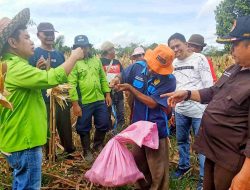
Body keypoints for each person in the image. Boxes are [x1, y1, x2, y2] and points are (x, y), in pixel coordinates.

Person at [162, 16, 250, 190]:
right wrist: (187, 94)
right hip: (212, 149)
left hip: (230, 157)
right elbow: (212, 92)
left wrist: (245, 176)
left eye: (235, 44)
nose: (230, 50)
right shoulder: (234, 69)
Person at [0, 8, 84, 189]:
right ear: (12, 42)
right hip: (26, 142)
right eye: (27, 37)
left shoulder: (9, 66)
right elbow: (51, 79)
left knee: (21, 183)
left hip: (18, 140)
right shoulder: (15, 67)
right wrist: (75, 56)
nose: (31, 42)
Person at [110, 44, 176, 190]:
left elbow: (152, 103)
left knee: (157, 168)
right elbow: (123, 75)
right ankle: (141, 187)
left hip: (156, 128)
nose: (152, 70)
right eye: (152, 66)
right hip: (138, 126)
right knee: (138, 161)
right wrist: (116, 78)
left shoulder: (169, 80)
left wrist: (131, 89)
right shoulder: (137, 67)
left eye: (158, 69)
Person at [168, 33, 213, 189]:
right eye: (172, 47)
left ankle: (203, 178)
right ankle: (183, 167)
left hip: (199, 112)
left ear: (186, 44)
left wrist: (207, 109)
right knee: (181, 141)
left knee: (202, 146)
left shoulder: (199, 59)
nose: (175, 49)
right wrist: (173, 109)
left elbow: (209, 86)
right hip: (180, 110)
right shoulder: (173, 63)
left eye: (177, 45)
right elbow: (174, 86)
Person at [29, 22, 75, 158]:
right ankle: (50, 153)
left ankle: (69, 151)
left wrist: (69, 96)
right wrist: (37, 69)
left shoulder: (60, 55)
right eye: (46, 33)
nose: (50, 36)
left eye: (52, 33)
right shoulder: (34, 54)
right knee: (47, 126)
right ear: (38, 35)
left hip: (61, 97)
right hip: (43, 98)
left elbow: (65, 76)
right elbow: (30, 76)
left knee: (64, 123)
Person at [68, 35, 111, 162]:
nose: (83, 49)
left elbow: (103, 78)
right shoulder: (74, 63)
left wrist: (107, 94)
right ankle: (86, 150)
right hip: (84, 101)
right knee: (83, 127)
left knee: (104, 122)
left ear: (88, 47)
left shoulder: (96, 60)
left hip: (99, 99)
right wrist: (75, 104)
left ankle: (97, 144)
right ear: (76, 48)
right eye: (80, 47)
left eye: (85, 46)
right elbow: (72, 84)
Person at [100, 41, 125, 131]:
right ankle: (109, 131)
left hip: (118, 91)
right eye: (113, 49)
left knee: (121, 112)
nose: (115, 51)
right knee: (107, 113)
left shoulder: (117, 62)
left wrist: (118, 81)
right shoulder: (100, 62)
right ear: (109, 51)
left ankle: (120, 129)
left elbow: (123, 74)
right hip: (107, 94)